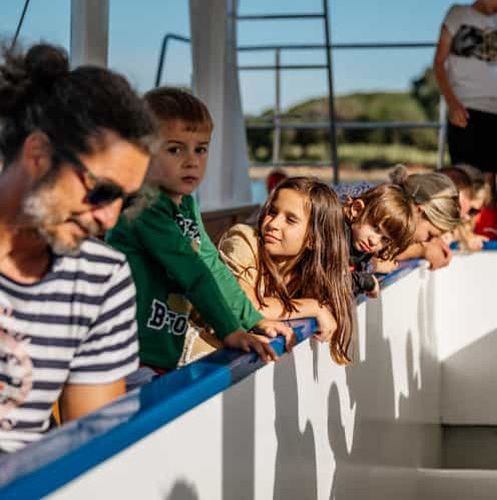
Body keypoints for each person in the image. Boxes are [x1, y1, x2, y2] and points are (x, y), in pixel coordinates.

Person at [0, 44, 156, 451]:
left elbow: (91, 446)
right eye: (101, 191)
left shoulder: (102, 279)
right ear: (38, 154)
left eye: (127, 199)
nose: (109, 218)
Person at [106, 88, 289, 376]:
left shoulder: (186, 204)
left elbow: (211, 264)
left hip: (162, 348)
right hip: (127, 354)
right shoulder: (144, 208)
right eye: (175, 149)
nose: (192, 160)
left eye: (200, 149)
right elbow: (192, 270)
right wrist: (230, 330)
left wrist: (252, 319)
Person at [219, 178, 355, 365]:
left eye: (290, 220)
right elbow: (247, 306)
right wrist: (315, 307)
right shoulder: (243, 240)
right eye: (272, 212)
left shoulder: (311, 273)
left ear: (313, 239)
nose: (273, 223)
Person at [434, 0, 497, 200]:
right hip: (466, 105)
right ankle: (464, 228)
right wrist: (452, 104)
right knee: (463, 176)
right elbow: (439, 62)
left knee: (491, 178)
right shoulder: (458, 13)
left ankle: (489, 228)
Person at [342, 184, 416, 297]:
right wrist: (366, 281)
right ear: (357, 209)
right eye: (375, 228)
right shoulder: (334, 235)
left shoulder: (361, 250)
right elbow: (328, 283)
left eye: (385, 239)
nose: (374, 241)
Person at [390, 166, 462, 270]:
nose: (428, 241)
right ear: (418, 211)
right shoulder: (384, 216)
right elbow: (379, 255)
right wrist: (422, 250)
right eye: (430, 235)